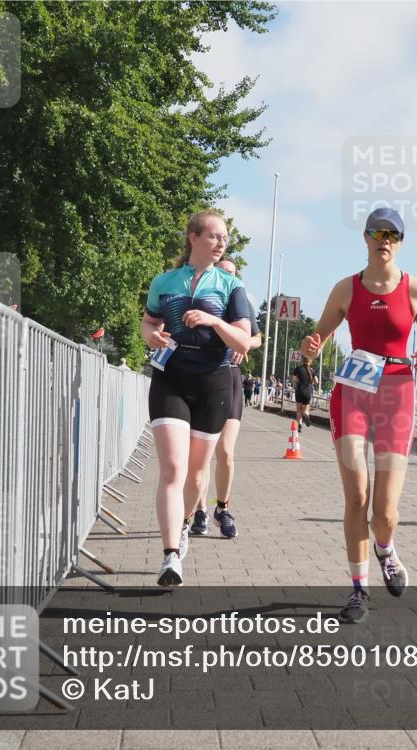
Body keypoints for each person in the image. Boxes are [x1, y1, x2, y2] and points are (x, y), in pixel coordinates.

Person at [301, 206, 417, 624]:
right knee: (357, 498)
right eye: (377, 233)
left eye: (393, 235)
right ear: (365, 238)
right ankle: (358, 590)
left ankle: (386, 548)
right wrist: (311, 348)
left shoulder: (415, 290)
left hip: (397, 396)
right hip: (353, 396)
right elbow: (318, 338)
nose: (384, 240)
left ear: (400, 242)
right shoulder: (346, 289)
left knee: (384, 511)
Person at [141, 210, 252, 586]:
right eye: (215, 236)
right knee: (173, 469)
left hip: (214, 383)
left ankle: (185, 523)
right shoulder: (165, 281)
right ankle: (170, 556)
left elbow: (242, 342)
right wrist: (150, 335)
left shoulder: (230, 287)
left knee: (196, 475)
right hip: (170, 378)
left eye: (225, 238)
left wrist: (215, 322)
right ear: (193, 237)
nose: (221, 243)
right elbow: (148, 321)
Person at [188, 258, 262, 539]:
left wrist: (244, 345)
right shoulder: (202, 298)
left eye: (233, 273)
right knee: (202, 455)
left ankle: (222, 508)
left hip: (230, 378)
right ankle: (199, 512)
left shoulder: (240, 303)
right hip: (205, 376)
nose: (228, 277)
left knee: (226, 452)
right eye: (223, 272)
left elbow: (256, 338)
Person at [291, 356, 318, 430]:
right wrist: (311, 381)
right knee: (305, 410)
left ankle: (299, 426)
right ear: (310, 361)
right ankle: (306, 415)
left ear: (302, 360)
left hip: (299, 390)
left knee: (298, 410)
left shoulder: (298, 368)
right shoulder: (312, 370)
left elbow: (293, 379)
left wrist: (298, 380)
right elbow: (316, 382)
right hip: (307, 390)